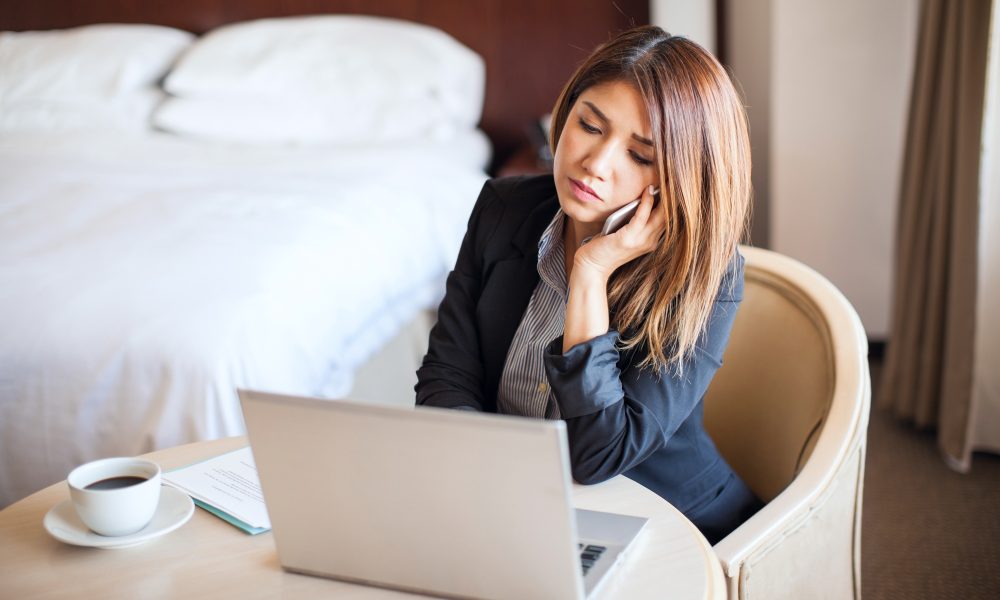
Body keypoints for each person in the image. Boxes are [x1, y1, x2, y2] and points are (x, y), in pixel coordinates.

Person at [415, 25, 762, 544]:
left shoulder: (705, 274)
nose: (595, 165)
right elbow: (447, 376)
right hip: (517, 508)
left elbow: (599, 454)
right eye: (590, 126)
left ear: (681, 176)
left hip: (666, 524)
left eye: (640, 156)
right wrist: (489, 482)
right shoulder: (504, 208)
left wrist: (591, 274)